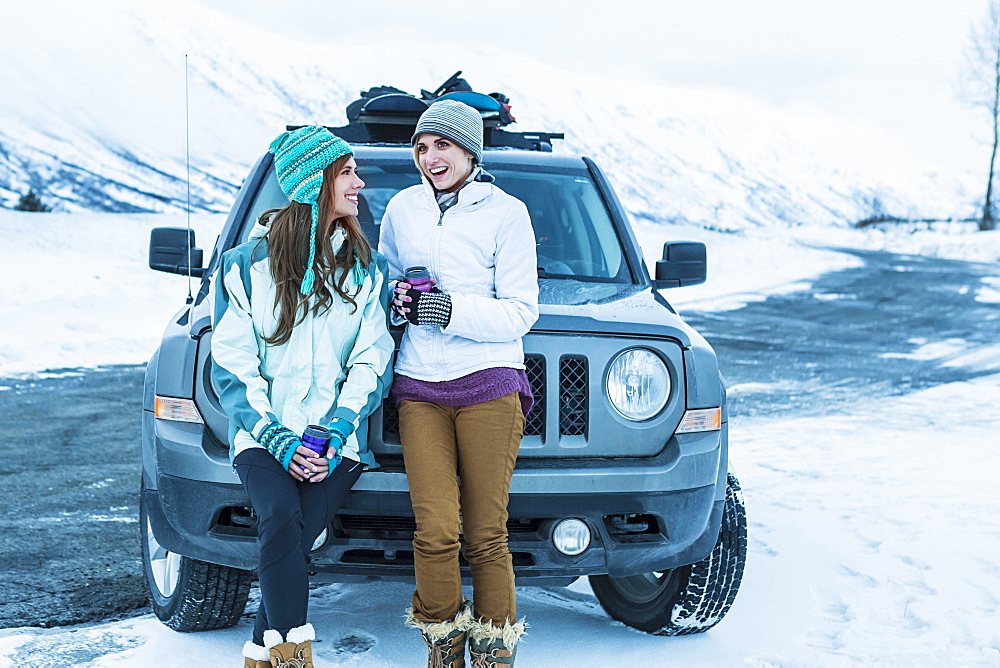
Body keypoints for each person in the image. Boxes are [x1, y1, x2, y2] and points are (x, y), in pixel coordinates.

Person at [211, 125, 394, 668]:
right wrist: (277, 437)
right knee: (279, 520)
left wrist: (335, 428)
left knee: (290, 537)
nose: (360, 184)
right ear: (315, 184)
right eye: (348, 173)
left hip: (335, 445)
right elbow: (233, 365)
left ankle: (259, 655)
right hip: (262, 437)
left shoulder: (367, 271)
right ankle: (295, 657)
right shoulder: (244, 268)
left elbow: (372, 359)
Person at [379, 99, 539, 667]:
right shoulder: (401, 209)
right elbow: (388, 283)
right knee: (436, 530)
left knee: (486, 535)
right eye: (422, 147)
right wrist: (400, 303)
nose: (430, 157)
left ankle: (495, 653)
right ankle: (443, 645)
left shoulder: (507, 213)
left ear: (469, 150)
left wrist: (445, 310)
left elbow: (521, 312)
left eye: (442, 145)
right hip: (420, 387)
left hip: (491, 386)